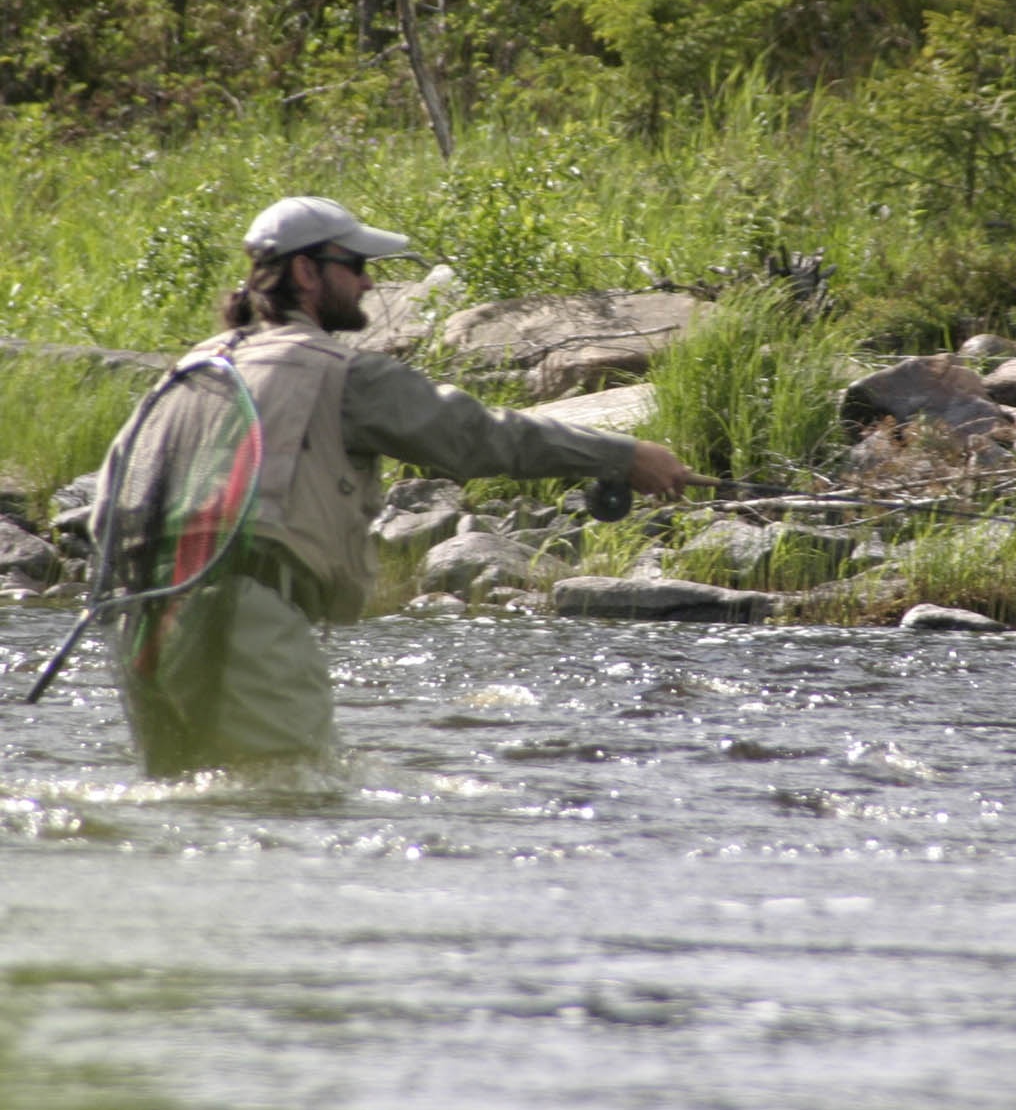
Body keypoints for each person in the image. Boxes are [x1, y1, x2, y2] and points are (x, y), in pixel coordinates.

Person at [94, 195, 695, 776]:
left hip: (137, 625)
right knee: (289, 802)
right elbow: (476, 436)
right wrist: (620, 454)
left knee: (191, 813)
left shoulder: (188, 370)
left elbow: (108, 501)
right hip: (243, 624)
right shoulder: (340, 373)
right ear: (306, 271)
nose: (368, 284)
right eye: (354, 266)